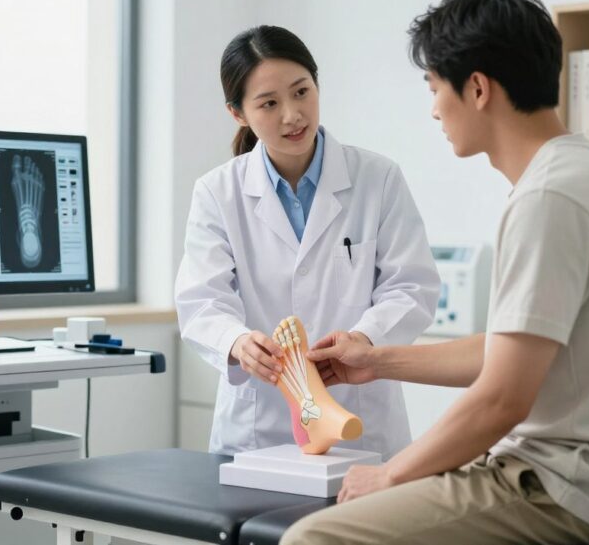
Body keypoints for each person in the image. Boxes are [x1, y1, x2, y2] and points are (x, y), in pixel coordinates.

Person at [284, 0, 589, 544]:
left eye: (434, 88)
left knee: (312, 538)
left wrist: (391, 475)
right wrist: (375, 361)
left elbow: (501, 399)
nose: (433, 109)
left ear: (476, 88)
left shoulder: (550, 197)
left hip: (560, 488)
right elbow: (509, 353)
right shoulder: (586, 173)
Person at [174, 25, 439, 457]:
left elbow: (412, 286)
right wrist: (237, 343)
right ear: (238, 114)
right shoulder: (218, 192)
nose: (292, 115)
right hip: (260, 425)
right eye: (269, 103)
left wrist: (365, 338)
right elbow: (201, 300)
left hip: (358, 418)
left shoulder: (378, 179)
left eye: (301, 92)